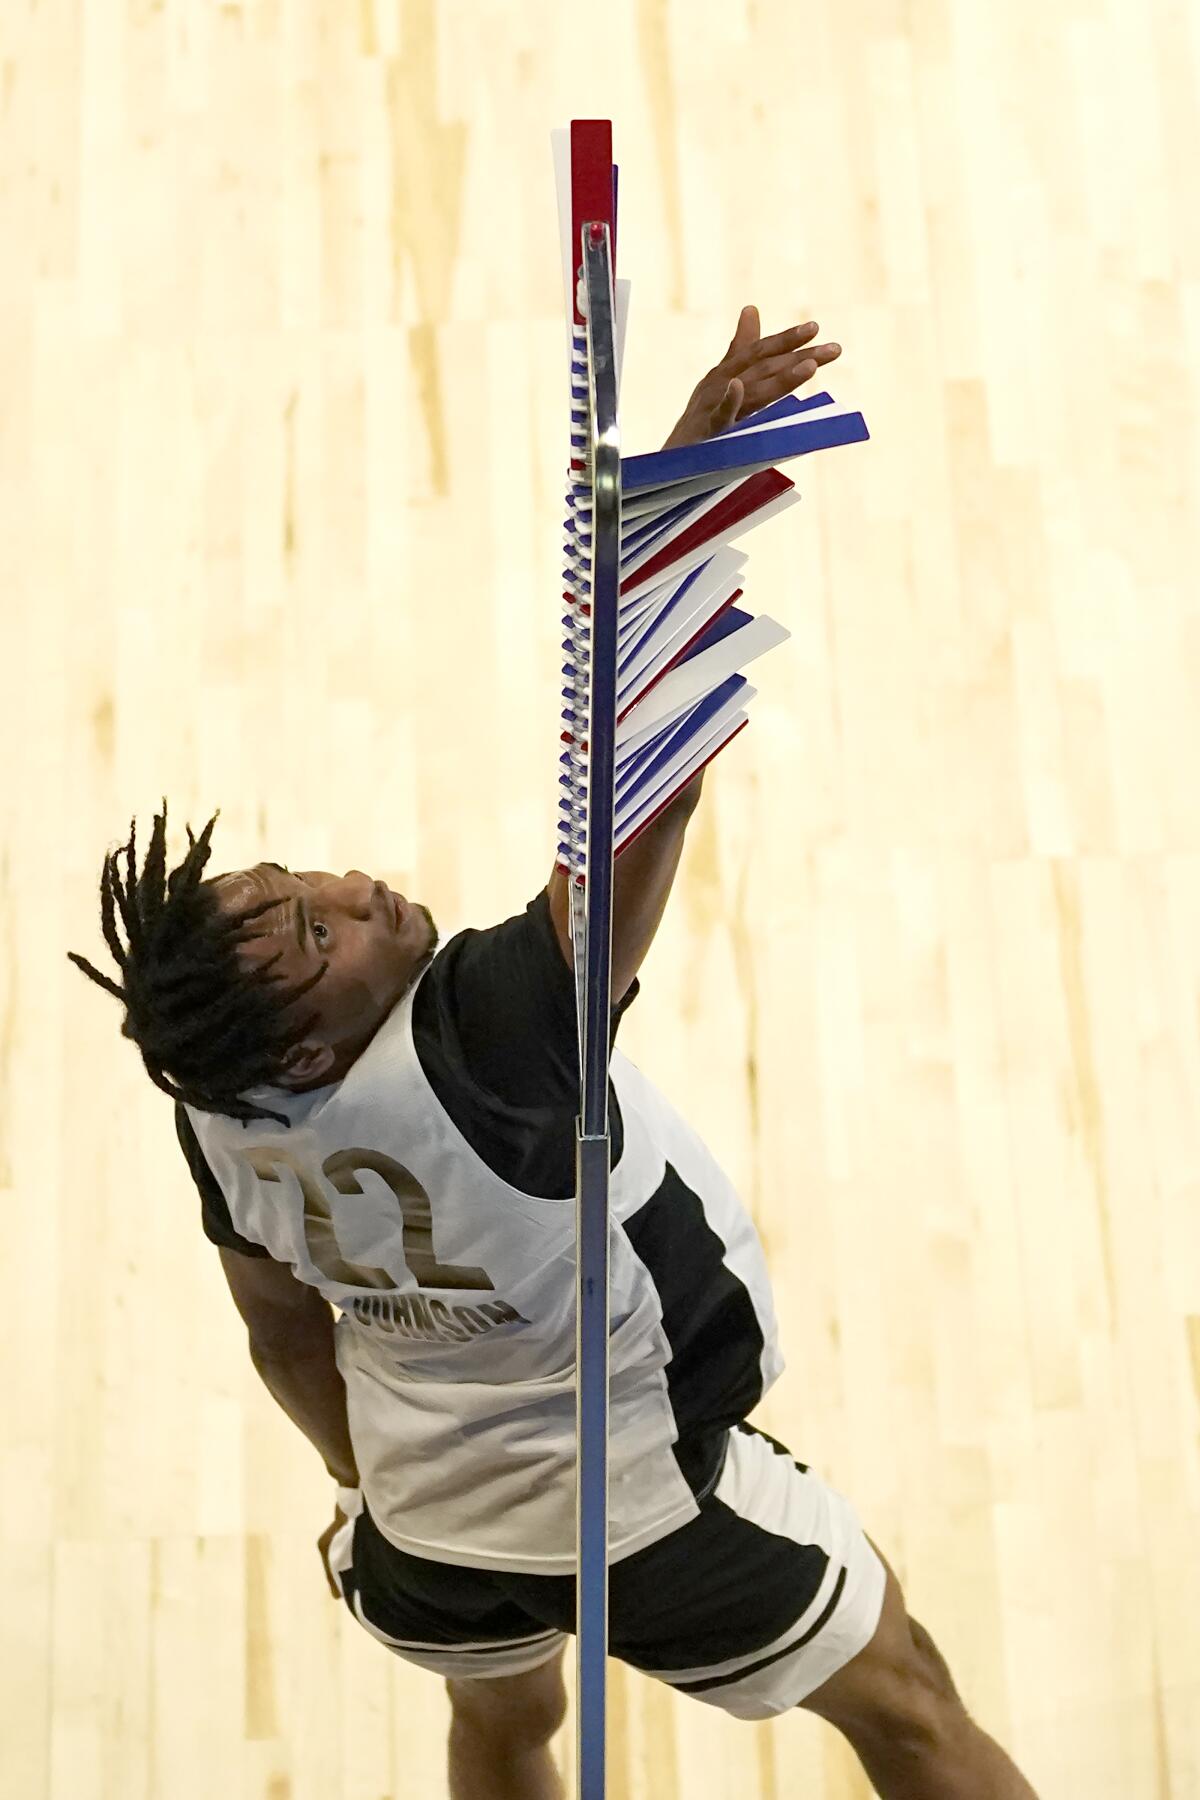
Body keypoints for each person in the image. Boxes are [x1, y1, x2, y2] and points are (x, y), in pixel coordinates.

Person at [71, 310, 1039, 1800]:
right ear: (320, 1033)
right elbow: (632, 801)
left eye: (295, 882)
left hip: (422, 1530)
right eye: (325, 938)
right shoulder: (486, 1044)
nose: (354, 892)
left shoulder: (216, 1103)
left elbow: (279, 1335)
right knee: (908, 1703)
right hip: (643, 1512)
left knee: (505, 1722)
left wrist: (372, 1483)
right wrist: (684, 506)